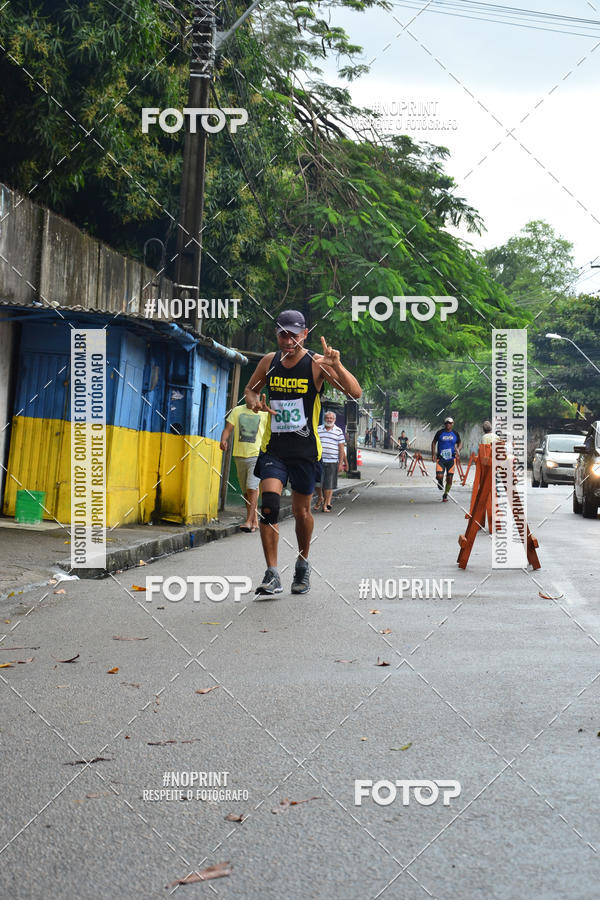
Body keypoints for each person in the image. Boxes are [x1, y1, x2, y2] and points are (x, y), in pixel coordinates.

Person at [245, 309, 362, 595]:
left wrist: (338, 365)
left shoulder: (316, 364)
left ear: (304, 334)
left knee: (301, 512)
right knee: (270, 503)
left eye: (294, 336)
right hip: (275, 449)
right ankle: (272, 573)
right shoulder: (268, 363)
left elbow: (355, 392)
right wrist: (255, 402)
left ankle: (302, 561)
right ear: (277, 334)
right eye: (283, 335)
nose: (288, 341)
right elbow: (250, 390)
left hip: (307, 451)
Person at [220, 405, 268, 532]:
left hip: (256, 455)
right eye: (248, 394)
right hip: (239, 455)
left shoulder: (264, 413)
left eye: (253, 394)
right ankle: (255, 520)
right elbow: (228, 429)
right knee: (246, 491)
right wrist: (223, 440)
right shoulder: (237, 410)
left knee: (252, 488)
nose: (250, 397)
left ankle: (248, 521)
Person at [314, 411, 347, 512]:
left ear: (334, 420)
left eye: (331, 418)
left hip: (332, 461)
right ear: (324, 419)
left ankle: (325, 505)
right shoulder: (318, 429)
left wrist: (341, 463)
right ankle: (320, 497)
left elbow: (341, 448)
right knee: (317, 483)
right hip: (319, 460)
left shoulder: (338, 431)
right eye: (327, 418)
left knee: (328, 485)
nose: (329, 420)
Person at [431, 417, 462, 502]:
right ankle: (440, 482)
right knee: (439, 476)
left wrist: (458, 449)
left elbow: (460, 442)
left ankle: (445, 494)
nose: (448, 424)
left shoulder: (455, 433)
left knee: (450, 479)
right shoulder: (440, 432)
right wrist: (433, 454)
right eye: (446, 423)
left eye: (450, 423)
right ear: (444, 424)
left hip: (451, 459)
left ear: (453, 424)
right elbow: (434, 442)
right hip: (441, 459)